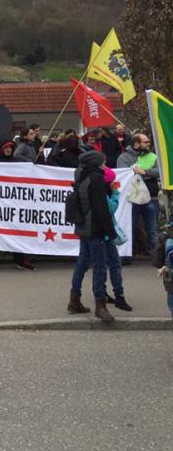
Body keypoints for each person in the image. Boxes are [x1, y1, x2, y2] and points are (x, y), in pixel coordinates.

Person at [68, 151, 118, 322]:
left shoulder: (81, 174)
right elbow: (100, 207)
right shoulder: (96, 178)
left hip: (82, 226)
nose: (105, 166)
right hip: (94, 227)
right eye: (103, 163)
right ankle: (100, 306)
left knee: (82, 263)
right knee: (99, 266)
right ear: (96, 163)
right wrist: (110, 231)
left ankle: (74, 300)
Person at [0, 142, 35, 271]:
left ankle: (20, 261)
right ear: (1, 149)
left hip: (15, 204)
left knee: (17, 232)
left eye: (11, 147)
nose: (8, 150)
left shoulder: (19, 161)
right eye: (6, 147)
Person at [117, 133, 161, 257]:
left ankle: (159, 258)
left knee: (152, 230)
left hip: (151, 198)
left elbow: (159, 171)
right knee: (128, 228)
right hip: (132, 200)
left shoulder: (152, 156)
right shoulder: (124, 158)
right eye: (145, 142)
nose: (148, 144)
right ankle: (125, 255)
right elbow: (123, 174)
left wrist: (144, 172)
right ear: (136, 144)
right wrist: (144, 175)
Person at [101, 167, 132, 311]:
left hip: (98, 234)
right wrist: (114, 194)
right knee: (114, 265)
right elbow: (111, 209)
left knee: (101, 265)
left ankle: (102, 294)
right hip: (105, 234)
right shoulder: (103, 193)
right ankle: (119, 296)